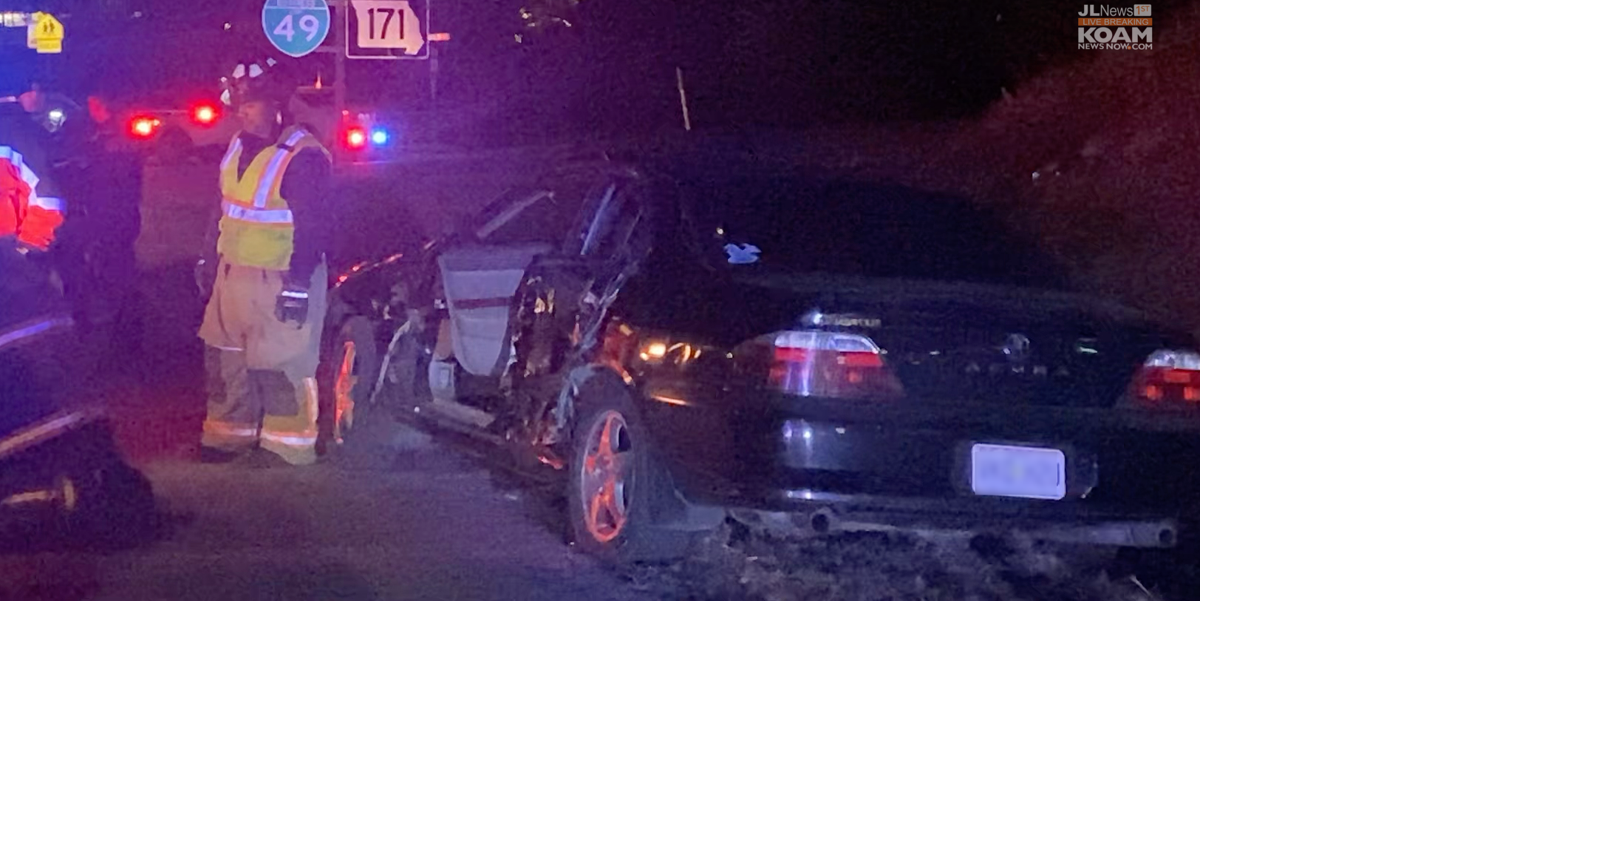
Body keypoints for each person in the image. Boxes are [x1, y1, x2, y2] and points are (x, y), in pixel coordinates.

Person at [197, 57, 334, 467]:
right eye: (239, 103)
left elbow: (314, 226)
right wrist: (208, 258)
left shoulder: (303, 155)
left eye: (251, 104)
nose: (242, 112)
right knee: (225, 358)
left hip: (280, 277)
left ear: (276, 105)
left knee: (281, 363)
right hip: (232, 274)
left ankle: (286, 446)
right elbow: (222, 207)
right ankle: (228, 436)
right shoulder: (237, 146)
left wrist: (298, 285)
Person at [1, 88, 66, 264]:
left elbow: (47, 197)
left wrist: (27, 248)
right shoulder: (18, 131)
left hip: (9, 253)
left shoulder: (14, 133)